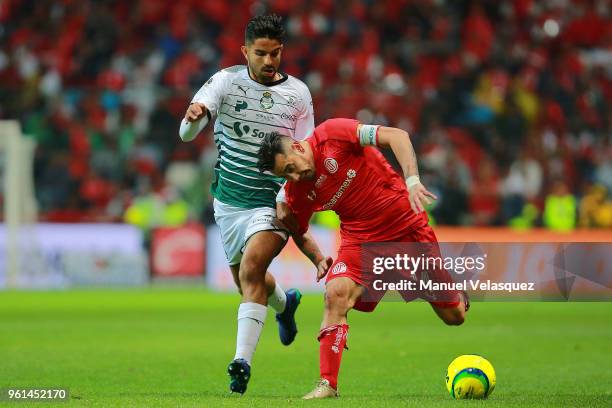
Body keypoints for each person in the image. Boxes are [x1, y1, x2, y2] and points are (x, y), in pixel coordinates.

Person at [257, 118, 469, 399]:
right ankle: (327, 384)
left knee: (454, 317)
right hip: (361, 242)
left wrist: (413, 181)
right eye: (286, 175)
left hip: (407, 228)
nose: (294, 177)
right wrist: (317, 257)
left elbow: (397, 135)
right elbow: (298, 229)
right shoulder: (298, 191)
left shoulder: (333, 134)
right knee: (335, 293)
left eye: (292, 168)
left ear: (297, 147)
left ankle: (452, 292)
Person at [179, 14, 315, 394]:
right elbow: (186, 134)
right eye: (261, 53)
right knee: (248, 281)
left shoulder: (298, 94)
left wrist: (288, 195)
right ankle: (285, 305)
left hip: (272, 201)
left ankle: (241, 363)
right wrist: (194, 117)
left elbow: (307, 151)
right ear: (245, 52)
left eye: (275, 54)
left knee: (253, 270)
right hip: (228, 202)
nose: (269, 61)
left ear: (282, 51)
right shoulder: (225, 82)